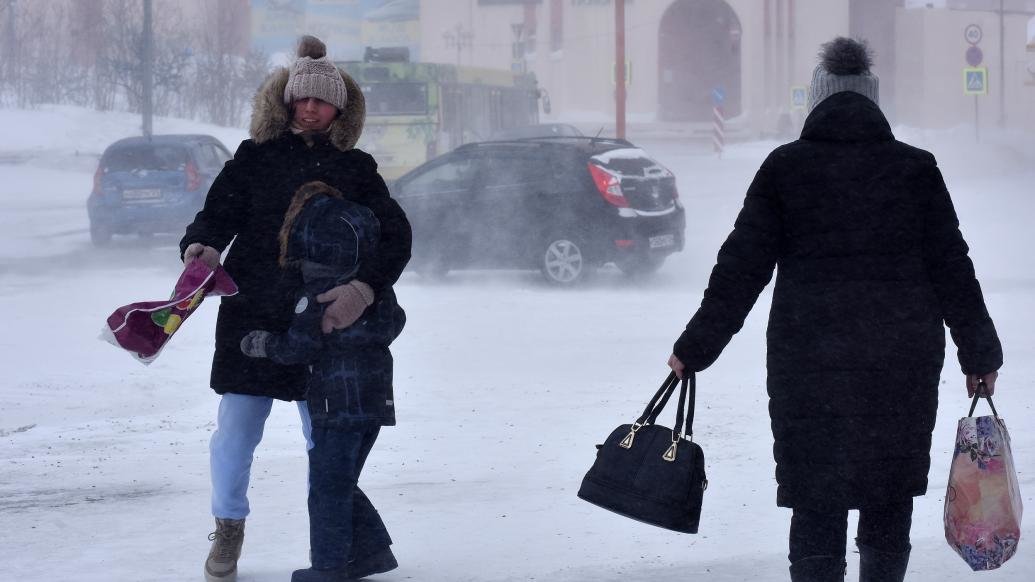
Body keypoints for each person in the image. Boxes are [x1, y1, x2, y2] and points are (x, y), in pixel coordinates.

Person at [667, 37, 1002, 582]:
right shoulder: (915, 170)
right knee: (889, 492)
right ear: (873, 101)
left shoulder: (786, 169)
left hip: (810, 361)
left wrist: (694, 348)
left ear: (817, 100)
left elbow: (741, 268)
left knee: (817, 499)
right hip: (901, 360)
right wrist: (979, 352)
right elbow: (952, 267)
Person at [179, 35, 411, 582]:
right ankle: (228, 527)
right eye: (301, 99)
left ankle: (339, 549)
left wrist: (364, 289)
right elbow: (215, 215)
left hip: (325, 321)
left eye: (322, 101)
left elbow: (396, 236)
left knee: (325, 443)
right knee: (236, 431)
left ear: (339, 109)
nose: (310, 109)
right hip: (251, 312)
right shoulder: (253, 157)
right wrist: (201, 246)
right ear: (285, 101)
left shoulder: (355, 167)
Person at [240, 181, 405, 582]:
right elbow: (395, 321)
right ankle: (371, 552)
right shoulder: (369, 292)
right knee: (342, 481)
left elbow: (298, 347)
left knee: (327, 487)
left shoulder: (316, 294)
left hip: (335, 403)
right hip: (375, 400)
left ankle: (328, 566)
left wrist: (263, 344)